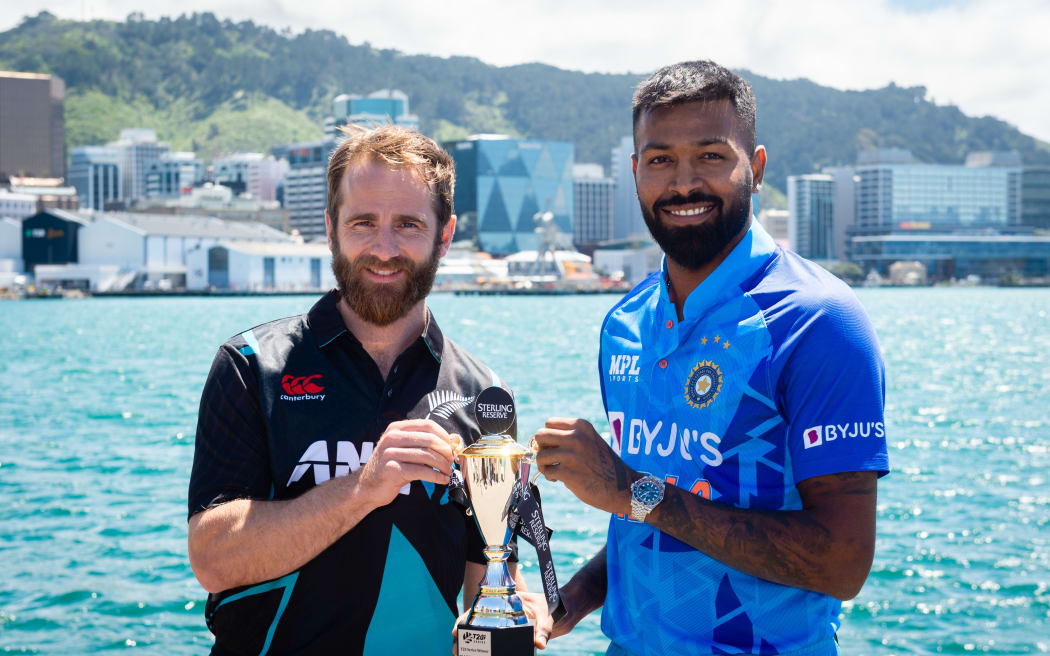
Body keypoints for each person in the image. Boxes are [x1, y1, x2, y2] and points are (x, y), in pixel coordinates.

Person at [532, 60, 889, 655]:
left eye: (712, 156)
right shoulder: (624, 323)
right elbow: (658, 507)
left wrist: (625, 487)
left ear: (757, 169)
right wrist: (571, 598)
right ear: (636, 174)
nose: (683, 182)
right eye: (660, 159)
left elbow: (842, 562)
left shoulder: (819, 322)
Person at [187, 125, 546, 655]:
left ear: (443, 237)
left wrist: (517, 610)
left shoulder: (485, 395)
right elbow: (213, 560)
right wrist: (363, 487)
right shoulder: (251, 366)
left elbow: (486, 579)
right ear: (331, 230)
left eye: (407, 224)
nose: (384, 248)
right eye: (363, 223)